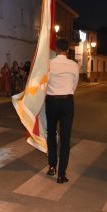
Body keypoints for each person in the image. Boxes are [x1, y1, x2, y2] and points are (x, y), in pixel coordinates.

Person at [45, 39, 79, 184]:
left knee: (51, 134)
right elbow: (75, 84)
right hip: (67, 102)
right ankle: (61, 175)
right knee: (65, 138)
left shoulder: (49, 64)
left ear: (57, 49)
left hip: (52, 101)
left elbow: (44, 82)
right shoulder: (74, 65)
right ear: (67, 50)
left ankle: (52, 166)